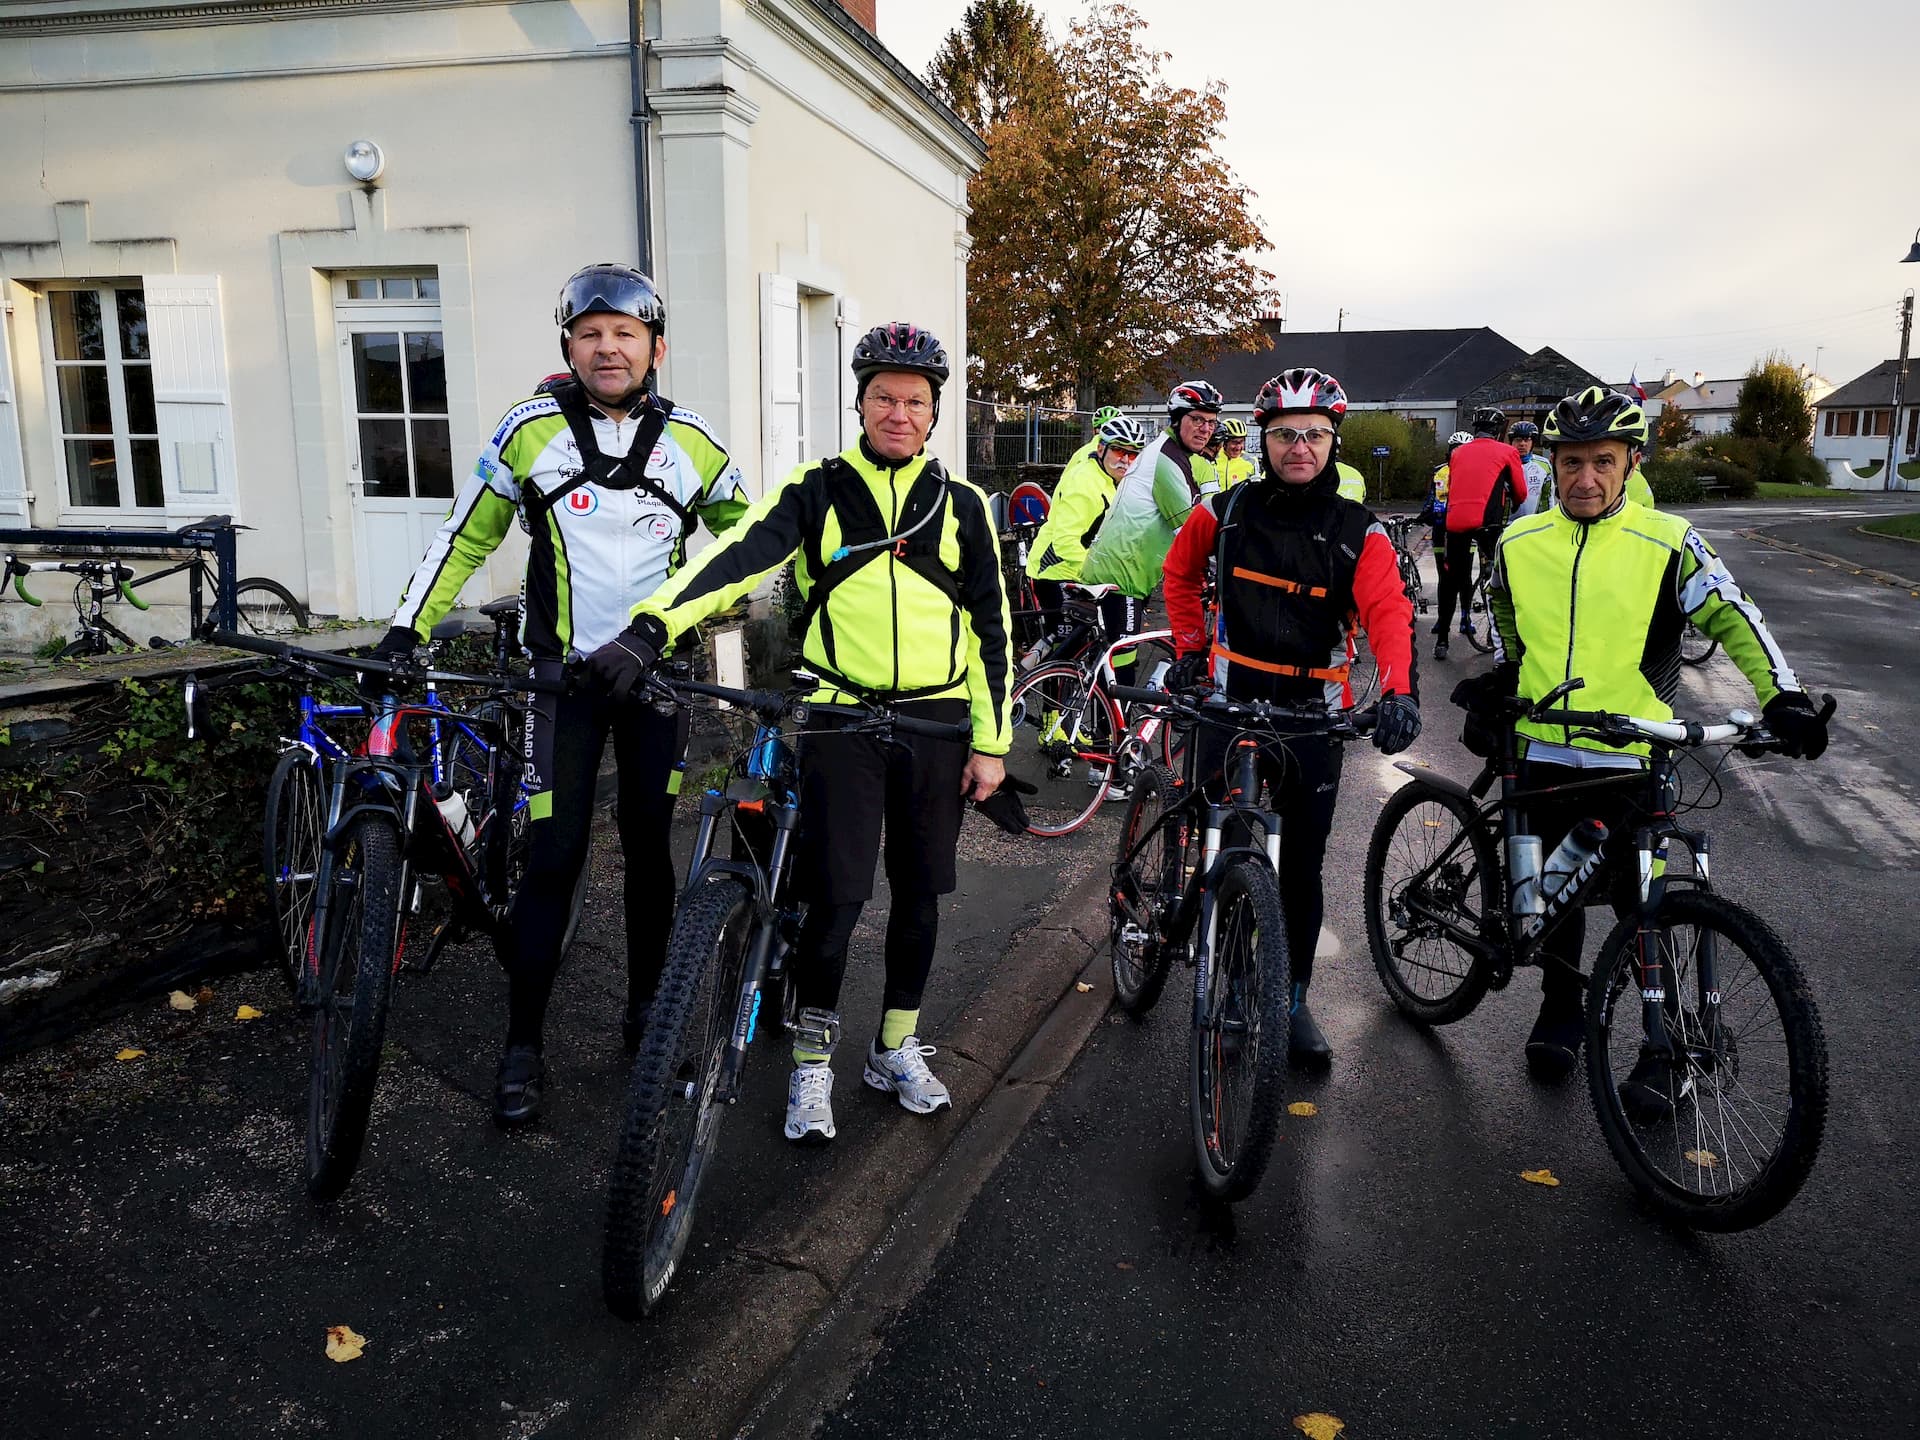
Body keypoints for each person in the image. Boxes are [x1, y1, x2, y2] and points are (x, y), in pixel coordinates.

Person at [583, 322, 1012, 1145]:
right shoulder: (815, 490)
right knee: (838, 904)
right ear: (860, 404)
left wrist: (990, 744)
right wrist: (649, 628)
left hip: (937, 722)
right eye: (883, 396)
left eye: (914, 401)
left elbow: (993, 633)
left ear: (933, 415)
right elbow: (736, 558)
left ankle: (894, 1048)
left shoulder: (962, 509)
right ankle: (813, 1063)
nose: (898, 411)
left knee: (921, 897)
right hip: (842, 717)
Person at [373, 264, 748, 1126]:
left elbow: (746, 547)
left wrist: (679, 620)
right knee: (557, 855)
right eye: (590, 333)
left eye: (624, 333)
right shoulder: (529, 431)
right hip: (561, 681)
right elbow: (464, 539)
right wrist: (405, 631)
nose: (607, 348)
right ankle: (523, 1044)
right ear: (569, 346)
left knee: (652, 849)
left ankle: (645, 1010)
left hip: (654, 679)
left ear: (656, 347)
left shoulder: (694, 443)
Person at [1454, 385, 1830, 1093]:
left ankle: (1662, 1051)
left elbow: (1732, 616)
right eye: (1571, 462)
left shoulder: (1668, 542)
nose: (1585, 478)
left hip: (1630, 753)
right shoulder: (1519, 540)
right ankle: (1560, 1014)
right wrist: (1510, 669)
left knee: (1640, 904)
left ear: (1630, 463)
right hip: (1542, 748)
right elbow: (1502, 601)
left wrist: (1782, 696)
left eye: (1603, 461)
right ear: (1552, 465)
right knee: (1549, 902)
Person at [1161, 367, 1422, 1068]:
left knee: (1301, 868)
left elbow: (1388, 612)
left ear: (1333, 440)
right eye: (1284, 434)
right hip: (1229, 701)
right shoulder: (1223, 512)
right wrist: (1189, 646)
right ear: (1263, 440)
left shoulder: (1356, 530)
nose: (1299, 446)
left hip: (1312, 717)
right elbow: (1179, 575)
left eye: (1314, 434)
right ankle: (1205, 937)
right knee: (1214, 838)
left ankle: (1290, 998)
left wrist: (1399, 691)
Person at [1026, 413, 1153, 682]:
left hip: (1078, 571)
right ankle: (1050, 715)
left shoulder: (1113, 480)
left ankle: (1037, 658)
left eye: (1133, 455)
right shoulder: (1086, 484)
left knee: (1082, 645)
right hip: (1057, 571)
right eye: (1119, 451)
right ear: (1101, 448)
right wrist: (1101, 573)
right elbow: (1065, 543)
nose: (1126, 460)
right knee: (1066, 652)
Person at [1077, 380, 1220, 601]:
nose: (1206, 429)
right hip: (1121, 580)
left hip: (1123, 574)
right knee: (1125, 637)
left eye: (1212, 422)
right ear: (1177, 419)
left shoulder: (1174, 453)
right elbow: (1192, 532)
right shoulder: (1165, 461)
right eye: (1198, 419)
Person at [1433, 406, 1527, 658]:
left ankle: (1442, 640)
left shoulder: (1458, 453)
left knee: (1451, 580)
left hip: (1456, 523)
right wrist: (1515, 501)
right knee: (1499, 578)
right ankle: (1500, 636)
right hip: (1488, 524)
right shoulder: (1508, 451)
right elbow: (1521, 491)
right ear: (1498, 431)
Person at [1509, 421, 1551, 518]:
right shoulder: (1502, 464)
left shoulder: (1544, 464)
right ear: (1511, 442)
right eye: (1518, 440)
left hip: (1532, 523)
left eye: (1527, 440)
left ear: (1533, 443)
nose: (1522, 444)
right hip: (1506, 525)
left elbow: (1546, 498)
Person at [1217, 417, 1255, 488]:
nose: (1238, 447)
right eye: (1234, 442)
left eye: (1241, 442)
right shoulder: (1213, 459)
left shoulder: (1251, 460)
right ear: (1224, 442)